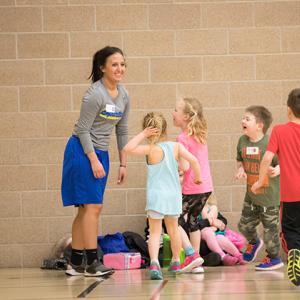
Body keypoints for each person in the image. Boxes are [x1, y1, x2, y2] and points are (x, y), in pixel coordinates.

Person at [61, 46, 130, 277]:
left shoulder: (124, 95)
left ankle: (75, 263)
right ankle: (92, 262)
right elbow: (82, 130)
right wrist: (92, 160)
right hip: (82, 151)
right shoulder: (94, 94)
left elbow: (122, 130)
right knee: (92, 207)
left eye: (122, 64)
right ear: (102, 68)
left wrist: (123, 163)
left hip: (101, 153)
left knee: (84, 210)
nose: (119, 68)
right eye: (114, 64)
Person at [123, 112, 202, 280]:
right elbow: (193, 161)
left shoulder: (150, 149)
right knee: (173, 231)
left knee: (155, 232)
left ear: (147, 129)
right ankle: (175, 261)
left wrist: (142, 134)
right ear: (165, 128)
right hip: (173, 196)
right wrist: (198, 177)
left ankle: (154, 263)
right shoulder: (176, 146)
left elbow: (127, 149)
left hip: (156, 197)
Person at [251, 89, 300, 286]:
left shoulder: (280, 130)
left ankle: (295, 253)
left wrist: (262, 181)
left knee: (291, 230)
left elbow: (266, 159)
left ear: (289, 110)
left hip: (290, 195)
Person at [235, 105, 283, 271]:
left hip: (269, 197)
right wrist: (241, 169)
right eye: (243, 118)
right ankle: (254, 242)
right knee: (243, 225)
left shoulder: (271, 142)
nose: (243, 121)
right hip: (251, 195)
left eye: (247, 119)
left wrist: (278, 169)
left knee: (270, 231)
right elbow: (239, 159)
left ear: (260, 125)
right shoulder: (242, 140)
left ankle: (274, 258)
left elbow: (285, 162)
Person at [172, 98, 214, 271]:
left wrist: (175, 165)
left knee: (174, 219)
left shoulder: (182, 138)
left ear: (186, 116)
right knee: (194, 221)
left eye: (175, 110)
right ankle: (196, 263)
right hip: (206, 187)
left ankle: (191, 255)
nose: (172, 113)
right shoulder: (200, 135)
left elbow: (185, 166)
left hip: (192, 187)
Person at [199, 194, 245, 265]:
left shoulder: (211, 207)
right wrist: (211, 222)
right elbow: (192, 225)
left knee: (220, 238)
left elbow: (223, 220)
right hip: (200, 242)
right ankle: (222, 257)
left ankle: (238, 255)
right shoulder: (191, 210)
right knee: (208, 233)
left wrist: (217, 226)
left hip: (214, 236)